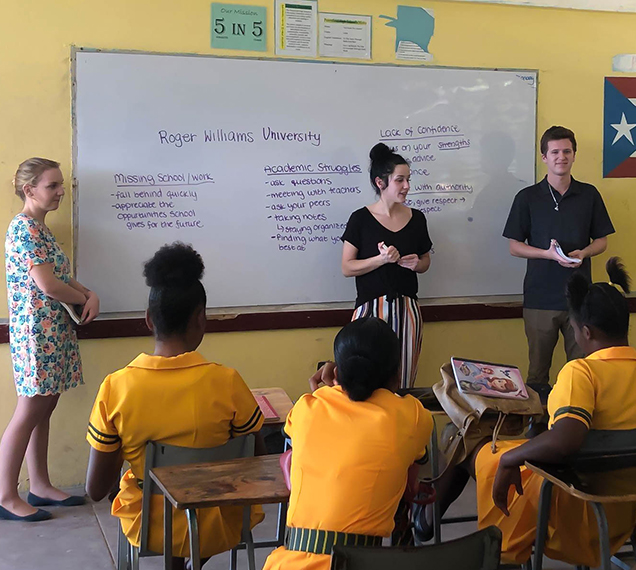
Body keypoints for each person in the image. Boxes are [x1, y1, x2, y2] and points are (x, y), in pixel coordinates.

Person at [417, 258, 636, 567]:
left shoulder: (582, 372)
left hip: (569, 500)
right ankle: (426, 519)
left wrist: (511, 458)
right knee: (498, 441)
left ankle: (433, 522)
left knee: (465, 441)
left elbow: (567, 438)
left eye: (573, 330)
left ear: (586, 332)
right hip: (624, 506)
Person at [84, 243, 264, 570]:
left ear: (149, 319)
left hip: (150, 525)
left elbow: (95, 489)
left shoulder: (116, 386)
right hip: (219, 524)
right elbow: (255, 460)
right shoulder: (227, 382)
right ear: (201, 319)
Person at [263, 317, 434, 570]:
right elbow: (414, 476)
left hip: (289, 564)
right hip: (364, 562)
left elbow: (297, 435)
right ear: (397, 373)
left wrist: (320, 390)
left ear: (336, 372)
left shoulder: (308, 407)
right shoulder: (413, 415)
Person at [0, 158, 100, 521]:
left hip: (52, 332)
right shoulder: (24, 229)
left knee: (45, 407)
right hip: (36, 335)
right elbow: (48, 285)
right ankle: (5, 495)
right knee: (29, 410)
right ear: (29, 190)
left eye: (61, 185)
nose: (60, 192)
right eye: (52, 186)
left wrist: (90, 294)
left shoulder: (41, 230)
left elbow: (63, 278)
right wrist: (83, 298)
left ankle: (39, 485)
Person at [504, 126, 615, 387]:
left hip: (579, 300)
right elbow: (514, 246)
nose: (561, 157)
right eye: (554, 152)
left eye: (567, 151)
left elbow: (602, 241)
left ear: (574, 155)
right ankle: (538, 427)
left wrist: (585, 252)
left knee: (580, 372)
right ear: (544, 157)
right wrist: (547, 254)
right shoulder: (527, 197)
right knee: (538, 375)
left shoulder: (589, 195)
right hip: (539, 299)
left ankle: (576, 424)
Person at [341, 143, 432, 389]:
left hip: (407, 309)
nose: (407, 187)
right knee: (366, 384)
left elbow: (425, 262)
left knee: (402, 383)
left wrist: (417, 264)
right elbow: (347, 267)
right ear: (381, 182)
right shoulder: (360, 219)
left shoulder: (417, 218)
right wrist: (381, 260)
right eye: (400, 180)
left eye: (408, 179)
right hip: (370, 311)